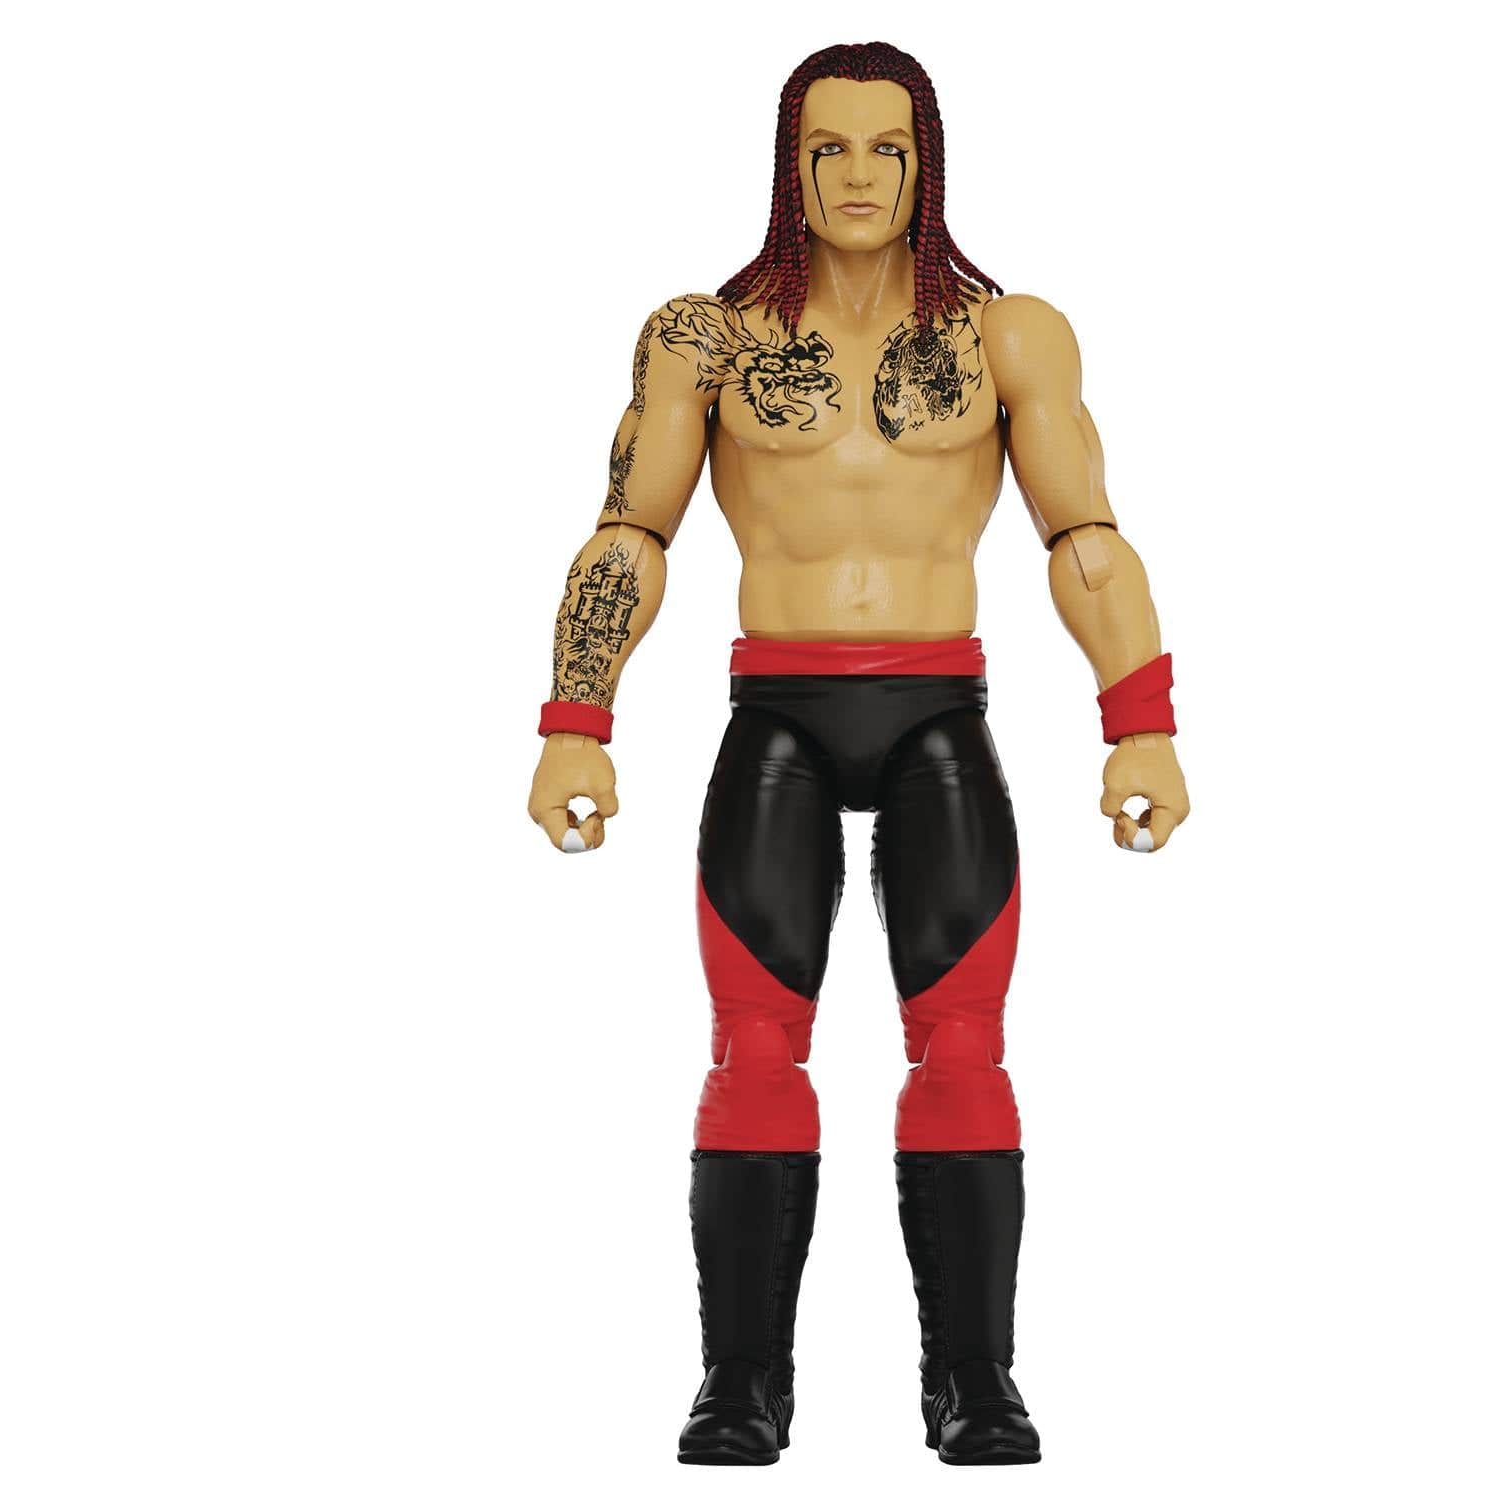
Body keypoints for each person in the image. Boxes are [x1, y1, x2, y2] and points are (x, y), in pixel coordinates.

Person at [526, 41, 1190, 1466]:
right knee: (754, 1049)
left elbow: (1084, 534)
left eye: (887, 147)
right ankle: (741, 1385)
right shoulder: (703, 340)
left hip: (939, 708)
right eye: (827, 148)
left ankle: (975, 1382)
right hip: (778, 710)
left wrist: (1140, 720)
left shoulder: (1012, 338)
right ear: (790, 164)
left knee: (965, 1050)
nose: (857, 175)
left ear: (926, 161)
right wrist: (577, 720)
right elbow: (630, 533)